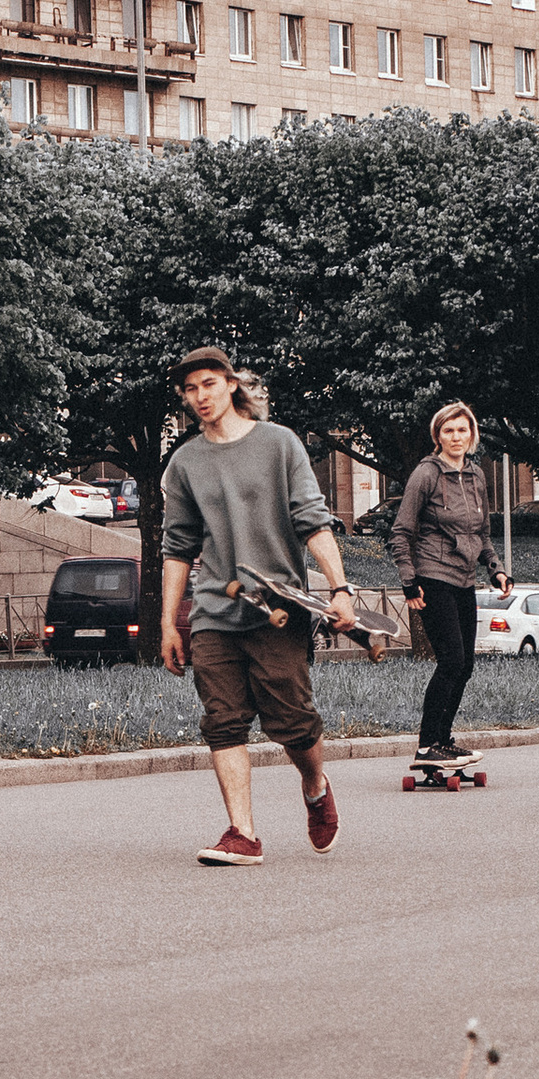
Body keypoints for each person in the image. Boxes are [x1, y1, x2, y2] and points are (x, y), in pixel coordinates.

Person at [158, 345, 355, 866]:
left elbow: (313, 521)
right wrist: (168, 624)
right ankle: (242, 833)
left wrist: (339, 588)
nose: (199, 396)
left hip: (278, 609)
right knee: (222, 720)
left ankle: (315, 785)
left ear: (230, 383)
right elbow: (177, 547)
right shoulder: (185, 463)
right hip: (213, 610)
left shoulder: (279, 445)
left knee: (293, 720)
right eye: (190, 389)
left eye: (208, 384)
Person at [391, 400, 505, 766]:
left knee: (465, 664)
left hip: (464, 578)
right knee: (451, 660)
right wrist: (409, 582)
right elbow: (401, 531)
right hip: (432, 576)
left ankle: (443, 739)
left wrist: (496, 568)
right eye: (448, 430)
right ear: (437, 436)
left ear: (471, 434)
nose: (456, 437)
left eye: (462, 430)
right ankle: (427, 745)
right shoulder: (426, 474)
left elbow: (483, 533)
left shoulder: (476, 476)